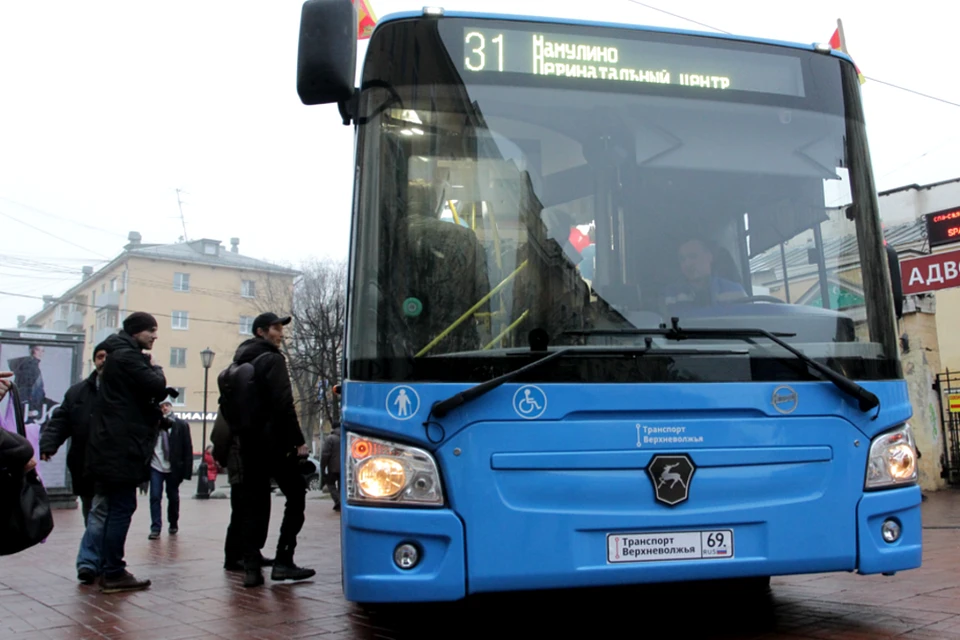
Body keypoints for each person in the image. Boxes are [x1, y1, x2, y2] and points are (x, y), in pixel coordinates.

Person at [84, 311, 167, 593]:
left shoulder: (117, 353)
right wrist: (154, 368)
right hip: (121, 447)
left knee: (108, 509)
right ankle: (113, 572)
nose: (155, 336)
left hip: (110, 445)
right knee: (120, 508)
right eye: (151, 331)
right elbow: (157, 386)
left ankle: (106, 568)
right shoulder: (128, 356)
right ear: (136, 332)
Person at [232, 312, 315, 587]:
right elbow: (283, 404)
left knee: (253, 504)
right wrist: (298, 441)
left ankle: (252, 570)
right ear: (261, 331)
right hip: (275, 444)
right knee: (296, 495)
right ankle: (283, 560)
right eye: (276, 328)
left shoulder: (240, 359)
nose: (281, 333)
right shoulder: (272, 359)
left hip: (247, 443)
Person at [39, 342, 108, 584]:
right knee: (92, 513)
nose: (103, 361)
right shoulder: (78, 392)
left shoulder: (123, 391)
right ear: (94, 361)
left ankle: (87, 562)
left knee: (99, 513)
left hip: (110, 464)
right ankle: (101, 559)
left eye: (107, 357)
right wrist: (49, 443)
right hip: (83, 464)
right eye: (99, 356)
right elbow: (61, 420)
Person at [148, 399, 193, 540]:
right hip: (156, 465)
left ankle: (173, 523)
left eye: (167, 405)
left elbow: (187, 448)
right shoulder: (153, 424)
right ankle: (155, 527)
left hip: (173, 467)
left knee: (173, 496)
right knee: (155, 496)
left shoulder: (180, 425)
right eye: (161, 406)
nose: (164, 408)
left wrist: (186, 471)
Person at [664, 237, 747, 308]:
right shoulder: (670, 295)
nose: (687, 264)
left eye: (693, 256)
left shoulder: (736, 291)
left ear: (709, 256)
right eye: (682, 259)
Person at [320, 423, 341, 512]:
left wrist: (323, 467)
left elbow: (325, 454)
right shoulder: (345, 436)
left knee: (330, 484)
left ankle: (338, 500)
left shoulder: (330, 438)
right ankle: (341, 501)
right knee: (342, 486)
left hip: (333, 467)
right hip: (344, 467)